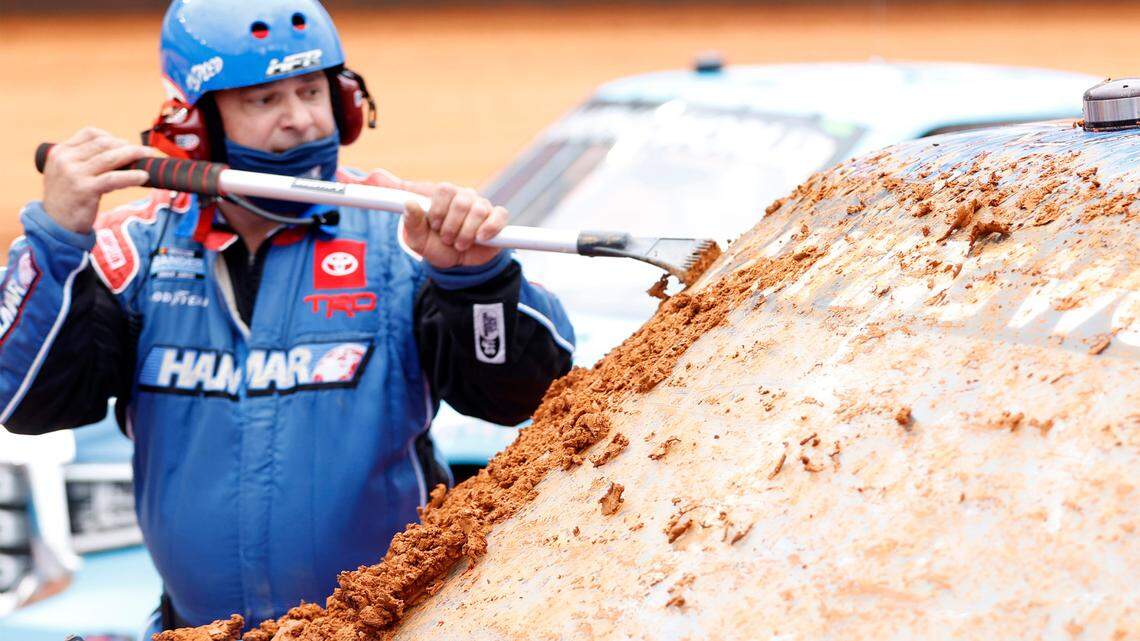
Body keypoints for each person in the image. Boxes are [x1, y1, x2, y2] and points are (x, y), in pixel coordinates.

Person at [0, 0, 575, 637]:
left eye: (311, 91)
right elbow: (24, 404)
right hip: (196, 630)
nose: (300, 120)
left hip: (397, 624)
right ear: (196, 124)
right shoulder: (131, 253)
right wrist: (55, 244)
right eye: (264, 100)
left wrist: (476, 280)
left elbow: (520, 397)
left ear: (347, 102)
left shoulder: (405, 237)